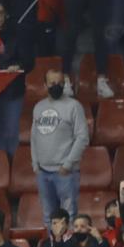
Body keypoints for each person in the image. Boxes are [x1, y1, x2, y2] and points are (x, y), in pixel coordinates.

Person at [29, 69, 91, 232]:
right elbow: (34, 137)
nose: (56, 86)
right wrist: (35, 164)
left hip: (65, 173)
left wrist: (68, 164)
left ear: (64, 84)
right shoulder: (38, 107)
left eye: (59, 83)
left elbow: (82, 137)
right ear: (45, 85)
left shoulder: (74, 106)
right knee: (48, 217)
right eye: (52, 83)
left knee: (69, 217)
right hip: (43, 172)